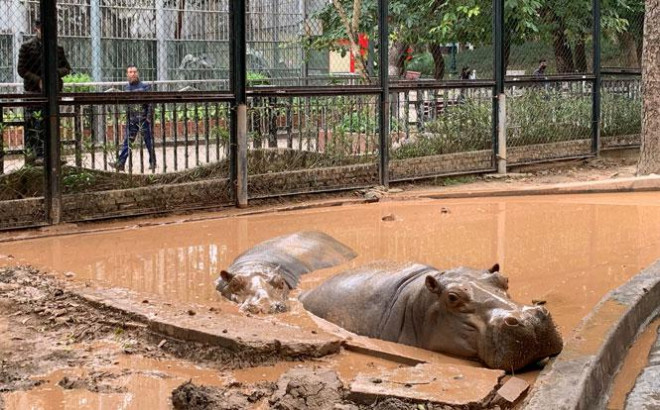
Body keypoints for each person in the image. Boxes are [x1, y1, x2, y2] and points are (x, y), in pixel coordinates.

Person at [17, 19, 72, 166]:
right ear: (37, 29)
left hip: (53, 91)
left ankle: (53, 154)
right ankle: (37, 155)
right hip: (34, 92)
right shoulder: (27, 47)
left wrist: (53, 74)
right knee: (35, 124)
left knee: (52, 122)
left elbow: (67, 68)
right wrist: (39, 80)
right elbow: (22, 70)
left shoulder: (57, 48)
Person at [112, 65, 156, 171]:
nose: (133, 74)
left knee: (148, 142)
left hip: (143, 118)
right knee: (128, 142)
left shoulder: (145, 87)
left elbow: (151, 103)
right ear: (127, 74)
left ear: (138, 73)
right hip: (132, 120)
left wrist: (149, 117)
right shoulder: (127, 88)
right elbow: (127, 105)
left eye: (135, 72)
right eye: (130, 72)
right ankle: (121, 163)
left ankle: (153, 162)